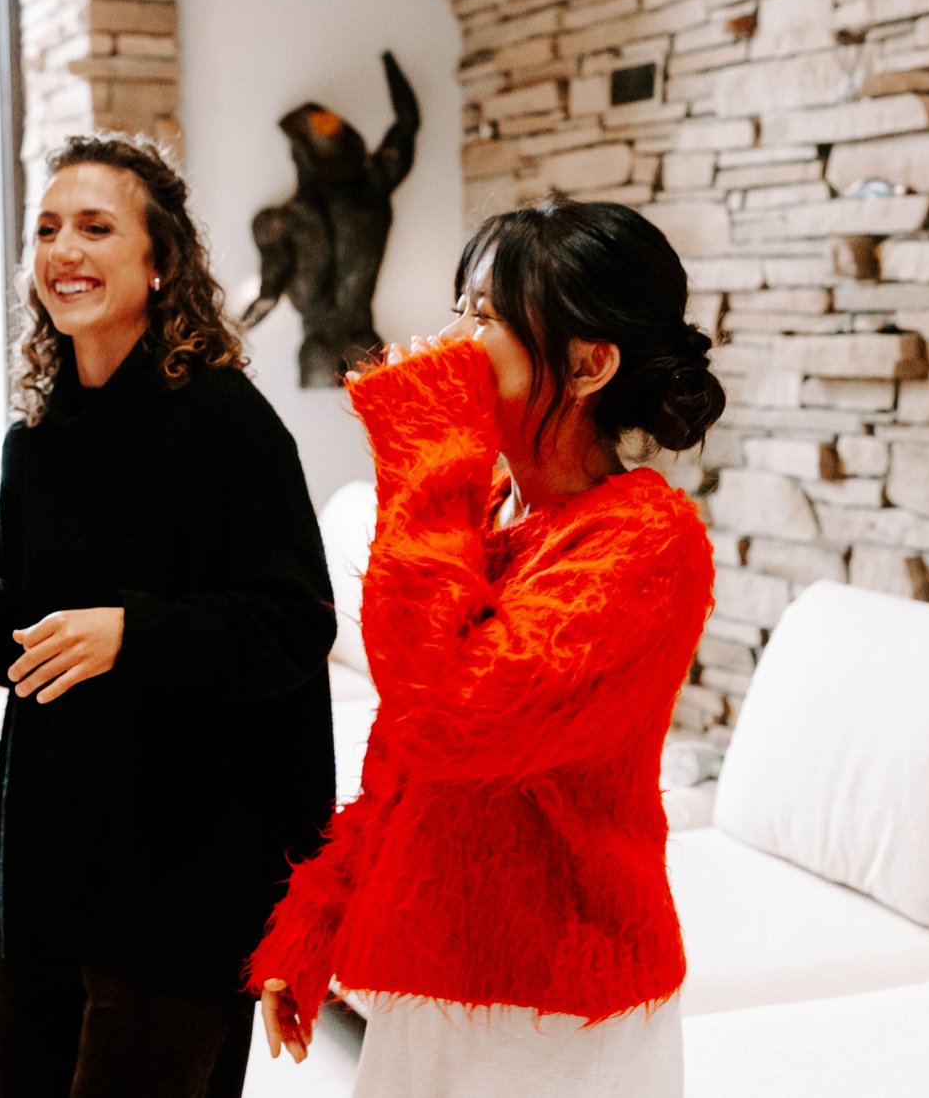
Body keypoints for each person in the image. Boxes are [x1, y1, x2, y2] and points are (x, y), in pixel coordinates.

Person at [249, 197, 725, 1098]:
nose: (450, 340)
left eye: (486, 318)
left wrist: (425, 455)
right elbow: (404, 761)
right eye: (460, 308)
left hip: (560, 1011)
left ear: (590, 365)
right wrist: (323, 914)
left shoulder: (648, 543)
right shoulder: (487, 511)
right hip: (429, 974)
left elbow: (453, 715)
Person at [0, 132, 337, 1098]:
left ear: (162, 260)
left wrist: (131, 630)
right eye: (47, 229)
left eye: (96, 227)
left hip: (183, 882)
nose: (64, 250)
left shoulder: (227, 423)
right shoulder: (39, 439)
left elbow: (294, 625)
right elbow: (30, 651)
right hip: (52, 870)